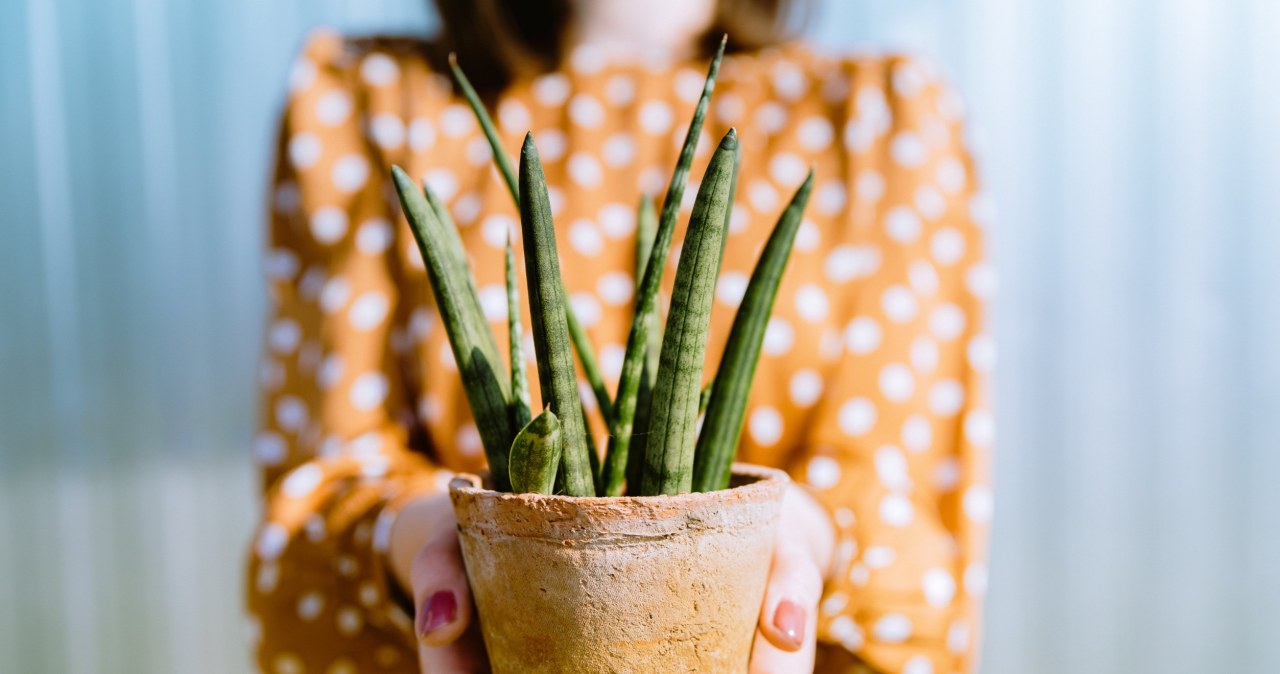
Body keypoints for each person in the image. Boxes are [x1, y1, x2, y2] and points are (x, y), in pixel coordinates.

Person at [246, 0, 993, 671]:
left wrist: (803, 542)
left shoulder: (877, 120)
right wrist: (435, 538)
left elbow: (912, 528)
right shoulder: (372, 100)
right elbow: (319, 494)